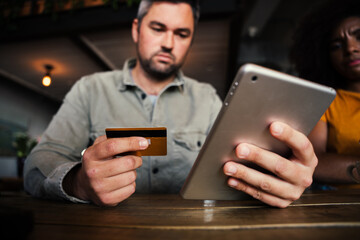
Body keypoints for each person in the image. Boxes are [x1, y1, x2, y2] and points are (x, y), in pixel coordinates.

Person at [24, 0, 317, 208]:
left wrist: (274, 176)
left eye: (181, 34)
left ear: (190, 40)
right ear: (137, 29)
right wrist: (77, 183)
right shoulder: (89, 90)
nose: (168, 43)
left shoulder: (207, 99)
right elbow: (39, 162)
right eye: (158, 28)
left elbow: (238, 167)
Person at [290, 0, 360, 185]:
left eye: (359, 36)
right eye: (337, 46)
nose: (350, 48)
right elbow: (314, 161)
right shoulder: (326, 101)